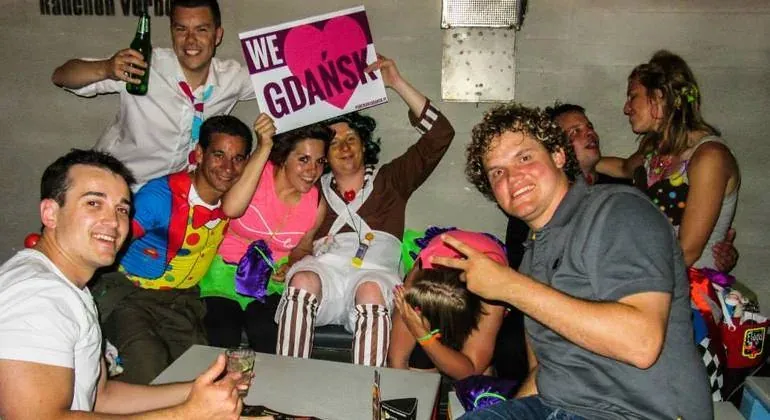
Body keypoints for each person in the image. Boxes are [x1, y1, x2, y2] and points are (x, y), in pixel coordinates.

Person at [435, 103, 711, 419]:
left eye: (524, 158)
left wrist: (509, 286)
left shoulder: (619, 211)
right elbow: (546, 373)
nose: (513, 177)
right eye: (497, 171)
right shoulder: (533, 255)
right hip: (559, 408)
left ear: (558, 156)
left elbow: (642, 343)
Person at [0, 149, 244, 418]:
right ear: (50, 213)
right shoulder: (37, 296)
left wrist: (201, 390)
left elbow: (102, 397)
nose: (113, 221)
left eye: (122, 209)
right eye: (94, 203)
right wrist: (187, 414)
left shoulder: (72, 288)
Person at [274, 55, 455, 366]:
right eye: (335, 143)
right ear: (324, 156)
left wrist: (396, 83)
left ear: (363, 143)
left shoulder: (391, 179)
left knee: (371, 292)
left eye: (351, 138)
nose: (345, 147)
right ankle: (286, 390)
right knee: (302, 281)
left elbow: (441, 134)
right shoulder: (313, 187)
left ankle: (366, 399)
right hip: (326, 273)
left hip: (375, 274)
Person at [94, 115, 252, 384]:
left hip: (184, 301)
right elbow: (109, 238)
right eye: (219, 155)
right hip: (134, 296)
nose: (228, 167)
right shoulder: (160, 196)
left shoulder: (236, 200)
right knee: (148, 371)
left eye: (238, 158)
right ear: (199, 154)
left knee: (199, 379)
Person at [52, 0, 254, 188]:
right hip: (114, 184)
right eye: (181, 29)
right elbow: (61, 76)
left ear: (217, 35)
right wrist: (106, 68)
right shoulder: (143, 64)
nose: (191, 40)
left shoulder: (232, 78)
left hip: (168, 199)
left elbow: (281, 71)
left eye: (201, 30)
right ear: (172, 32)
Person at [200, 114, 333, 351]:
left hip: (269, 283)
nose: (313, 171)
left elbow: (304, 245)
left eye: (320, 161)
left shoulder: (316, 203)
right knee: (222, 333)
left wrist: (292, 262)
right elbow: (230, 208)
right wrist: (265, 146)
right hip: (222, 274)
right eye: (303, 159)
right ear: (283, 157)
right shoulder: (257, 170)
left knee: (267, 335)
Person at [389, 229, 506, 380]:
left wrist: (423, 335)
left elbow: (471, 371)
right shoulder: (417, 282)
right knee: (419, 363)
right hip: (434, 262)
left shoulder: (491, 295)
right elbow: (397, 360)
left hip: (484, 284)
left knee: (480, 380)